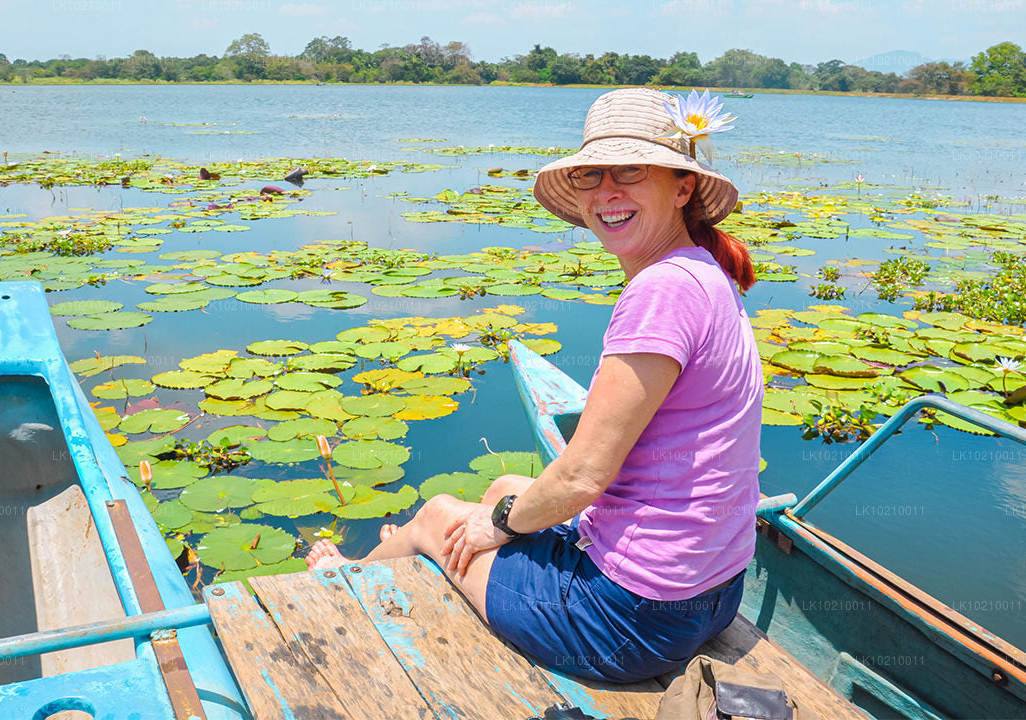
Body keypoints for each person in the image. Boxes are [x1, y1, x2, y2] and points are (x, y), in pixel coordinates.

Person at [307, 88, 763, 683]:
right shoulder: (704, 273)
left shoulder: (659, 292)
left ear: (682, 187)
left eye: (630, 171)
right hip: (714, 592)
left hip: (631, 621)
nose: (608, 191)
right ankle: (402, 554)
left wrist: (489, 524)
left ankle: (345, 576)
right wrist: (501, 510)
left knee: (437, 515)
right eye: (592, 175)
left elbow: (581, 477)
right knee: (503, 483)